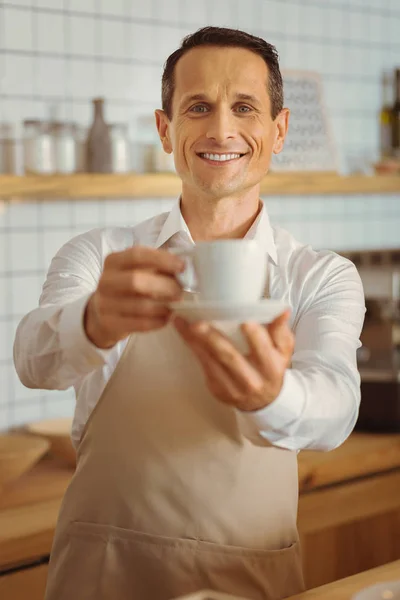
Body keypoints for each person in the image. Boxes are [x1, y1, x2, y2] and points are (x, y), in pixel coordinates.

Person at [14, 26, 365, 600]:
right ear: (165, 129)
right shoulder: (101, 256)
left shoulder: (319, 276)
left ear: (278, 131)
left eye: (244, 107)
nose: (221, 129)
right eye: (198, 107)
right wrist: (94, 320)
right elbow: (33, 359)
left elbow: (336, 403)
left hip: (249, 578)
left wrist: (271, 396)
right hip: (101, 576)